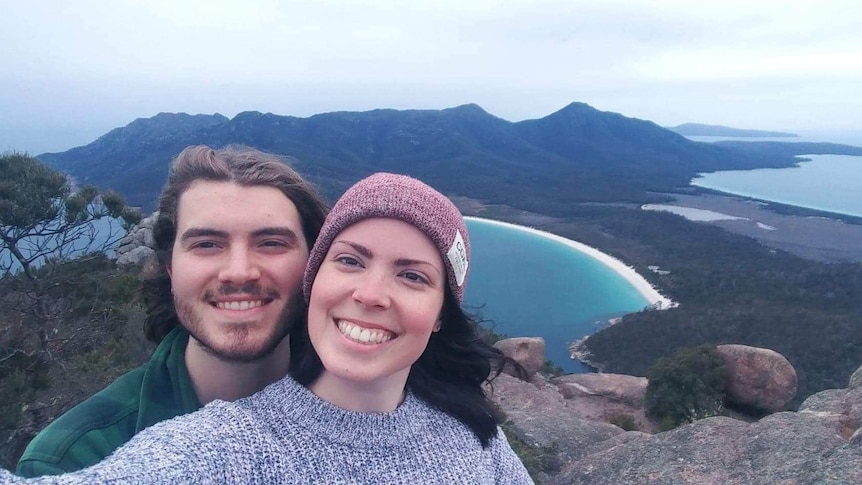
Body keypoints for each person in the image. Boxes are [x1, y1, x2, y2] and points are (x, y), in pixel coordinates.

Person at [2, 172, 531, 484]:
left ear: (441, 314)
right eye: (350, 261)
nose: (371, 294)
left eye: (413, 275)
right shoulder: (216, 449)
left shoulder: (476, 441)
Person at [15, 145, 328, 477]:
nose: (239, 272)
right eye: (207, 244)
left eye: (271, 243)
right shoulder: (76, 458)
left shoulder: (373, 408)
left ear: (313, 263)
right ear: (170, 268)